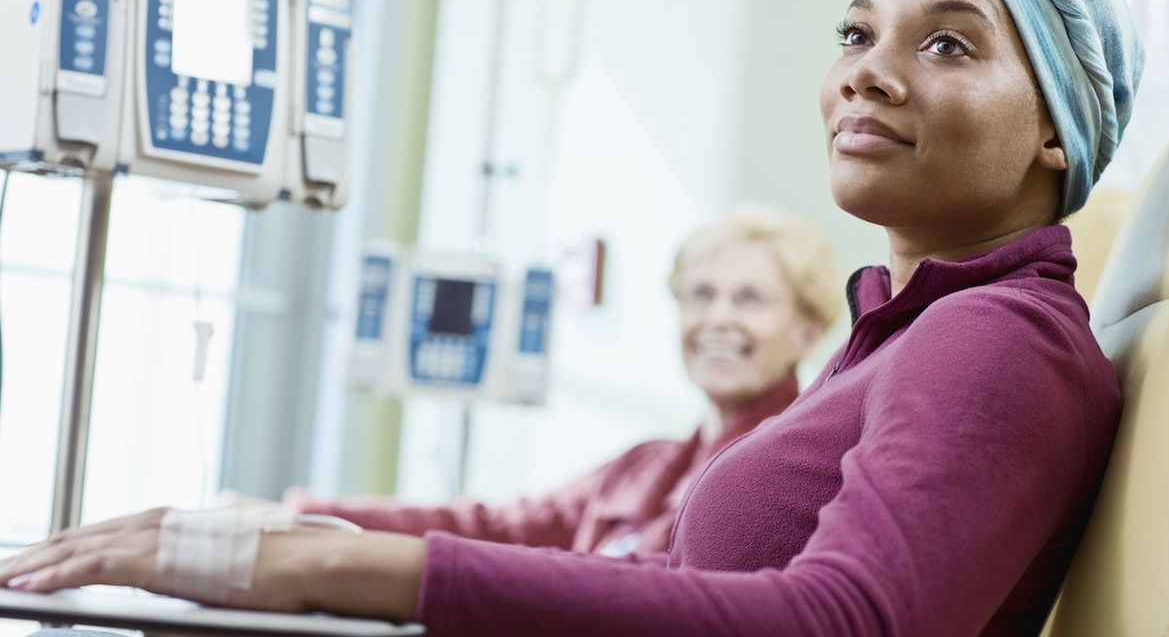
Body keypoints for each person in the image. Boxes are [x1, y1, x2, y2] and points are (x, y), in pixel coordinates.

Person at [0, 0, 1143, 637]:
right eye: (856, 31)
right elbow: (606, 558)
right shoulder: (898, 337)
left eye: (950, 45)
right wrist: (308, 524)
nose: (867, 68)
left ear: (1057, 126)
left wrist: (328, 562)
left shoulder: (999, 336)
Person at [280, 205, 841, 557]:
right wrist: (302, 516)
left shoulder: (789, 475)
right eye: (701, 294)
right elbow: (499, 526)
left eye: (750, 299)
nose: (718, 318)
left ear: (807, 330)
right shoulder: (643, 466)